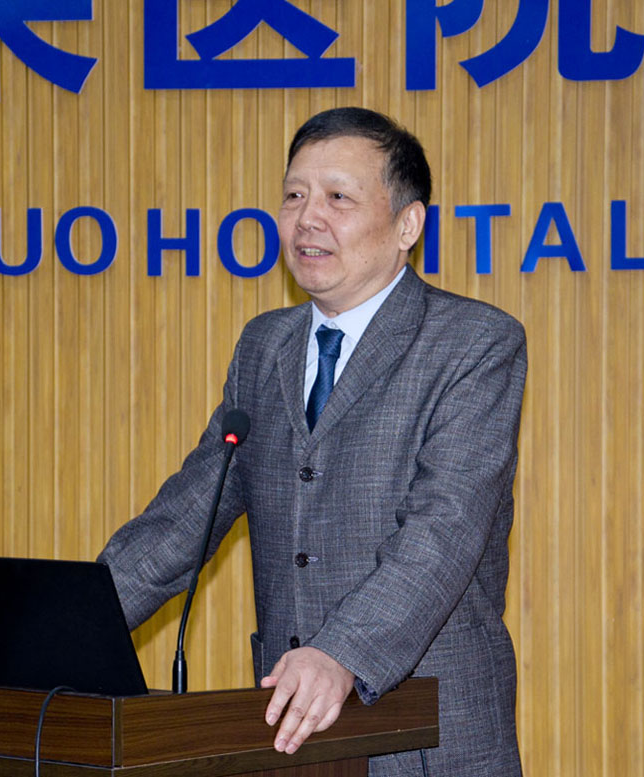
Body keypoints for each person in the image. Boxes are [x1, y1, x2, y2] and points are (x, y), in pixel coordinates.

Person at [98, 106, 526, 776]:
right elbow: (186, 518)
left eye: (338, 198)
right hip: (292, 733)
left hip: (430, 732)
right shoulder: (263, 345)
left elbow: (443, 531)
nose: (307, 218)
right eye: (294, 195)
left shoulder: (473, 343)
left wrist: (342, 651)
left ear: (408, 225)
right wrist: (72, 625)